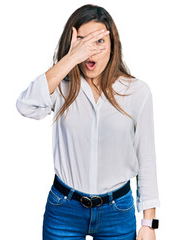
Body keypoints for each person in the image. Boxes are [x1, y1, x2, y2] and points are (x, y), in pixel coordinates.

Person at [16, 4, 160, 240]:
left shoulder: (137, 92)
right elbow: (25, 106)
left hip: (118, 211)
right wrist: (72, 58)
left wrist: (149, 223)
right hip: (64, 210)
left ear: (113, 45)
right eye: (83, 41)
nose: (90, 51)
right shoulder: (60, 87)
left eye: (99, 41)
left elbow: (147, 158)